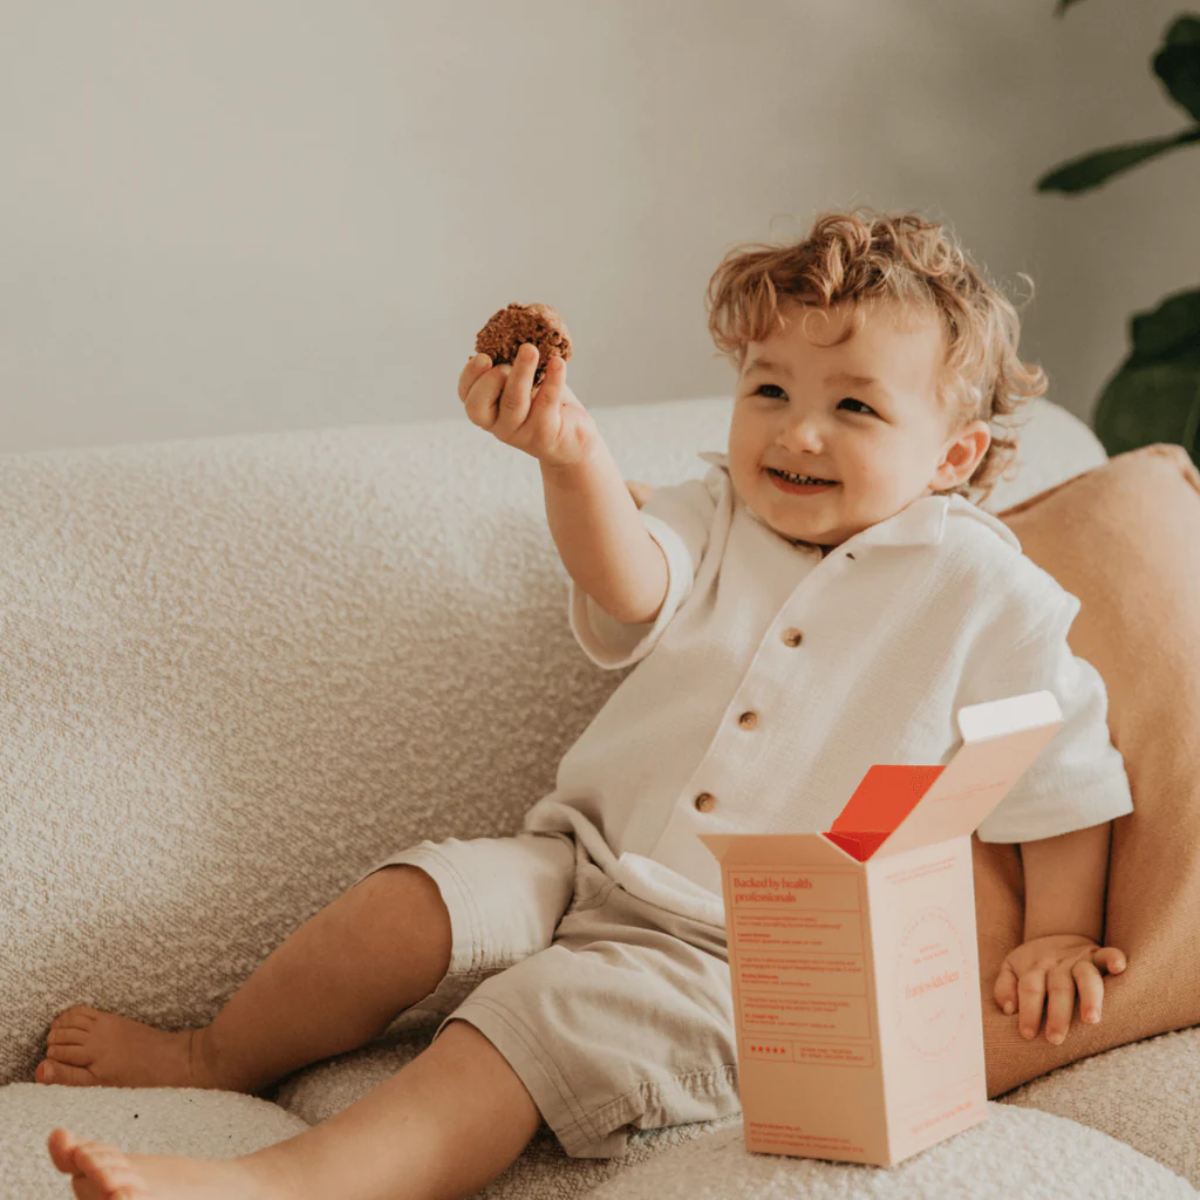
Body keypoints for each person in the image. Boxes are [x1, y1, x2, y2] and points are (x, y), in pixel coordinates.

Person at [42, 207, 1132, 1200]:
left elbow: (1057, 767)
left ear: (953, 454)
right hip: (582, 860)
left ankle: (282, 1188)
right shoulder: (716, 515)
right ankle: (211, 1057)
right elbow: (630, 583)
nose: (797, 433)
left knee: (526, 1025)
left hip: (747, 958)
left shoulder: (988, 592)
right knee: (407, 900)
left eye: (851, 406)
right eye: (769, 391)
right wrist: (571, 457)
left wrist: (1059, 936)